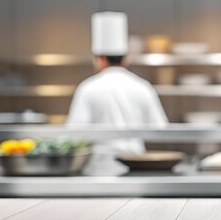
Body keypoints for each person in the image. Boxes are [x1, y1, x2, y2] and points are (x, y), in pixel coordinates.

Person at [67, 12, 168, 157]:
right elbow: (160, 128)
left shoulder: (88, 88)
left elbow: (75, 133)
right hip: (135, 161)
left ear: (100, 59)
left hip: (98, 162)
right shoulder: (142, 86)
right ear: (125, 59)